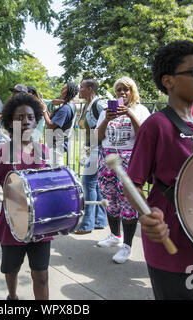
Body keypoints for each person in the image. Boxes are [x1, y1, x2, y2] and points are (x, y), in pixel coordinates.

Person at [127, 40, 193, 300]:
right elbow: (132, 181)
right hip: (168, 240)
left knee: (190, 291)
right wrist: (146, 214)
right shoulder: (157, 124)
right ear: (168, 81)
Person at [0, 93, 51, 300]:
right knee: (11, 269)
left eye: (30, 117)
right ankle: (12, 296)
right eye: (20, 117)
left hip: (40, 222)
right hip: (11, 222)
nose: (26, 121)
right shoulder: (0, 153)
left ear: (36, 120)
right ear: (10, 122)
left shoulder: (44, 151)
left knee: (42, 275)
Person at [95, 76, 150, 263]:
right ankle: (114, 235)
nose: (122, 93)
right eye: (119, 89)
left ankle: (127, 246)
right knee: (110, 200)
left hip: (129, 161)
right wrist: (106, 119)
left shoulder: (141, 110)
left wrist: (129, 114)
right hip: (107, 159)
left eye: (126, 89)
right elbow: (98, 137)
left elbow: (145, 134)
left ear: (132, 91)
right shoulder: (105, 111)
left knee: (127, 202)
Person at [74, 79, 107, 234]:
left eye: (81, 87)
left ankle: (87, 224)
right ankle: (100, 220)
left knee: (87, 184)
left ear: (90, 88)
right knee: (95, 185)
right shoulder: (87, 105)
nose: (79, 89)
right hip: (92, 147)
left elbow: (109, 123)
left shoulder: (98, 104)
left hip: (99, 148)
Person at [41, 82, 79, 166]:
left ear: (69, 91)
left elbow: (50, 125)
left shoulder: (65, 109)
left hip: (57, 146)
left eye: (63, 89)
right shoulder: (71, 105)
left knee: (55, 171)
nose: (61, 91)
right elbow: (53, 120)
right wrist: (46, 109)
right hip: (58, 144)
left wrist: (44, 111)